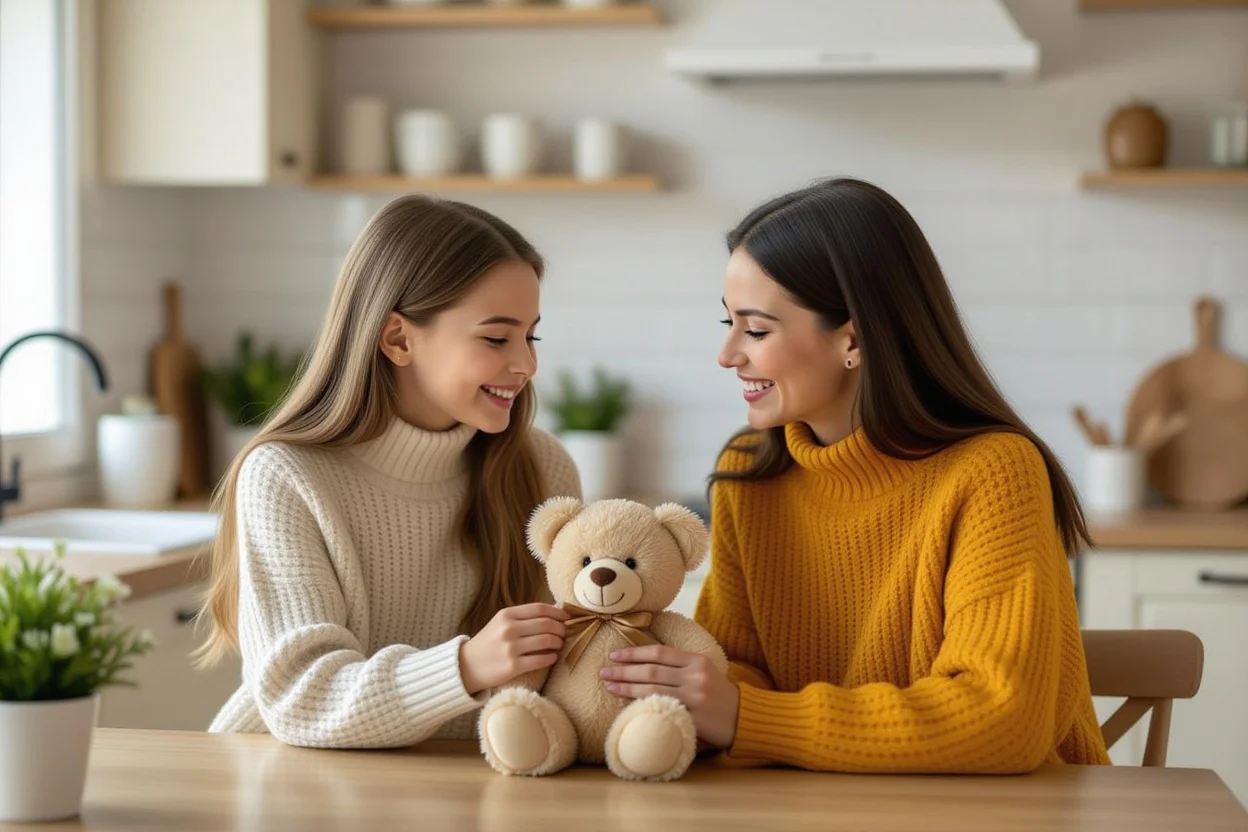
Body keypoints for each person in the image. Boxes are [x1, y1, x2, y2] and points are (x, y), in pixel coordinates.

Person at [601, 178, 1111, 773]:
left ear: (853, 337)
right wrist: (686, 690)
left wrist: (746, 716)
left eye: (757, 329)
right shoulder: (750, 468)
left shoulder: (994, 474)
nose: (729, 353)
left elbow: (1000, 718)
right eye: (729, 323)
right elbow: (736, 663)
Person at [199, 195, 580, 748]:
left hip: (464, 784)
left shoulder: (543, 469)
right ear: (398, 338)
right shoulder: (285, 476)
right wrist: (467, 666)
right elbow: (301, 697)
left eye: (530, 335)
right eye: (497, 338)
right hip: (292, 781)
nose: (526, 364)